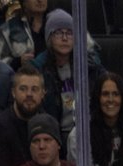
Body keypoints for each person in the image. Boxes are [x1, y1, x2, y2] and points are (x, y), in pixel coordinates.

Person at [32, 8, 104, 139]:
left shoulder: (91, 66)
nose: (65, 38)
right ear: (49, 37)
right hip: (54, 135)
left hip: (90, 132)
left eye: (70, 33)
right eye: (59, 33)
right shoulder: (38, 70)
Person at [0, 63, 47, 166]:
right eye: (23, 89)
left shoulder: (49, 124)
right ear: (13, 92)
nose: (29, 94)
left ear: (43, 94)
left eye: (34, 89)